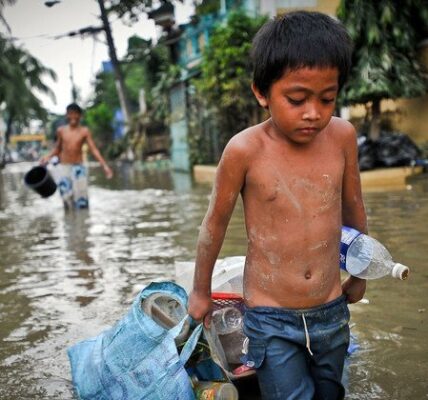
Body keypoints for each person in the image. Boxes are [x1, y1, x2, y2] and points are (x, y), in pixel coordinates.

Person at [188, 11, 368, 400]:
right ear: (261, 93)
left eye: (328, 98)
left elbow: (354, 211)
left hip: (331, 308)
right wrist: (200, 290)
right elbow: (214, 225)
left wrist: (361, 272)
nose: (313, 113)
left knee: (330, 392)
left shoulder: (341, 137)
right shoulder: (244, 150)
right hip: (270, 315)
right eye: (297, 99)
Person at [40, 103, 113, 209]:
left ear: (80, 116)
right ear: (67, 115)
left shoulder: (84, 131)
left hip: (78, 167)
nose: (73, 116)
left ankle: (82, 223)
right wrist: (47, 157)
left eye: (75, 114)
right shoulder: (61, 131)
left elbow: (93, 150)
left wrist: (104, 166)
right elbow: (58, 149)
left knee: (81, 200)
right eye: (70, 114)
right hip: (64, 167)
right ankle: (70, 223)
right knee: (66, 199)